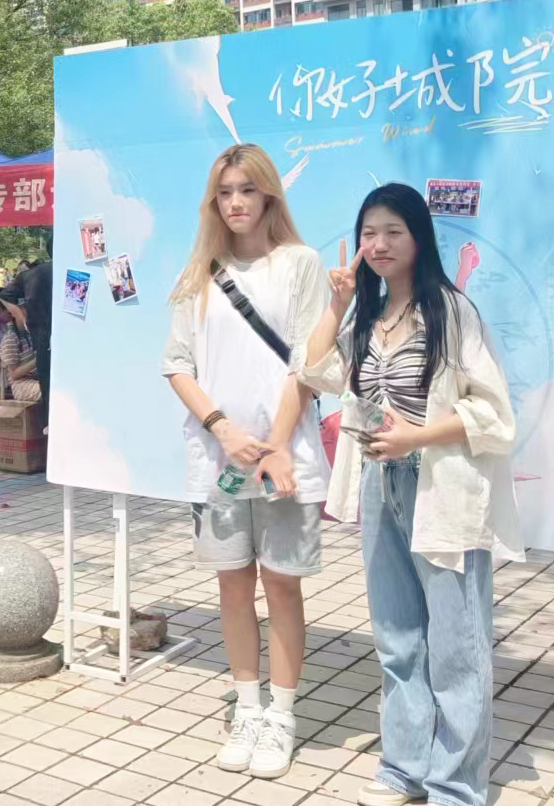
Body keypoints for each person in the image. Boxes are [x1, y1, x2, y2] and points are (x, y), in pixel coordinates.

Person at [301, 183, 522, 806]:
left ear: (419, 238)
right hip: (381, 485)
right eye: (369, 233)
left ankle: (456, 785)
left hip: (442, 487)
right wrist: (336, 304)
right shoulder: (367, 319)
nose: (378, 244)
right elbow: (315, 372)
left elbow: (495, 416)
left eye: (393, 232)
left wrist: (416, 436)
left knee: (457, 645)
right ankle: (404, 768)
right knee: (397, 637)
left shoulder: (451, 313)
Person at [161, 143, 330, 780]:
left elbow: (308, 364)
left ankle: (282, 715)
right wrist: (223, 430)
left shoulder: (300, 264)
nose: (235, 203)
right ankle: (247, 708)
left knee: (282, 585)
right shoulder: (198, 275)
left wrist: (277, 445)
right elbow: (178, 365)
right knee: (232, 585)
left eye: (247, 190)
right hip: (218, 461)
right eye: (225, 192)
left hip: (287, 460)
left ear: (269, 196)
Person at [1, 236, 52, 416]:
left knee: (50, 388)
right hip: (62, 335)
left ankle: (48, 425)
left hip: (42, 337)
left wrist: (23, 317)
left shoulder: (32, 274)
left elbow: (5, 295)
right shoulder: (74, 270)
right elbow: (14, 374)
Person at [0, 302, 41, 402]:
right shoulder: (10, 338)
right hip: (21, 385)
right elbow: (14, 374)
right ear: (14, 313)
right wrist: (38, 359)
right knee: (50, 390)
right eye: (24, 308)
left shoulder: (31, 334)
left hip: (39, 378)